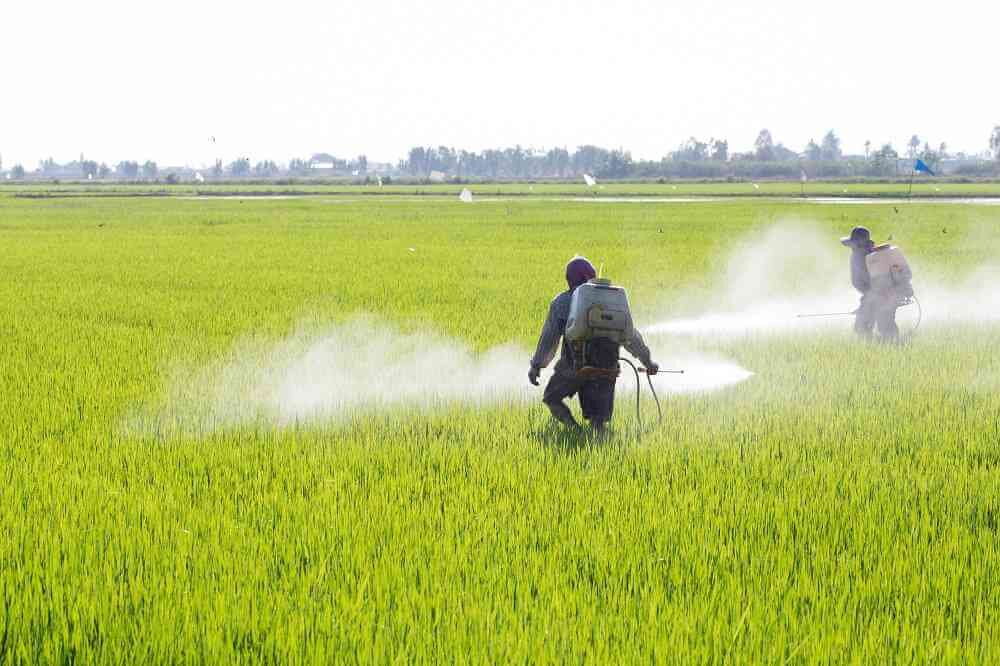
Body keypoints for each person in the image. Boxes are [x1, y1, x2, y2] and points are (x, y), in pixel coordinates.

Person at [528, 256, 658, 430]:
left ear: (569, 279)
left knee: (551, 398)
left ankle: (574, 429)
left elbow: (549, 339)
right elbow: (630, 335)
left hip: (573, 368)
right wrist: (647, 361)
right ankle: (599, 445)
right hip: (608, 369)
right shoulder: (613, 300)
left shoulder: (561, 303)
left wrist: (537, 365)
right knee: (598, 422)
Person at [840, 226, 909, 342]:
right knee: (879, 324)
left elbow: (876, 286)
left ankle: (892, 347)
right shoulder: (868, 255)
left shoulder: (869, 259)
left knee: (879, 325)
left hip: (884, 295)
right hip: (882, 294)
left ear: (857, 244)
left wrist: (867, 304)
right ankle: (885, 345)